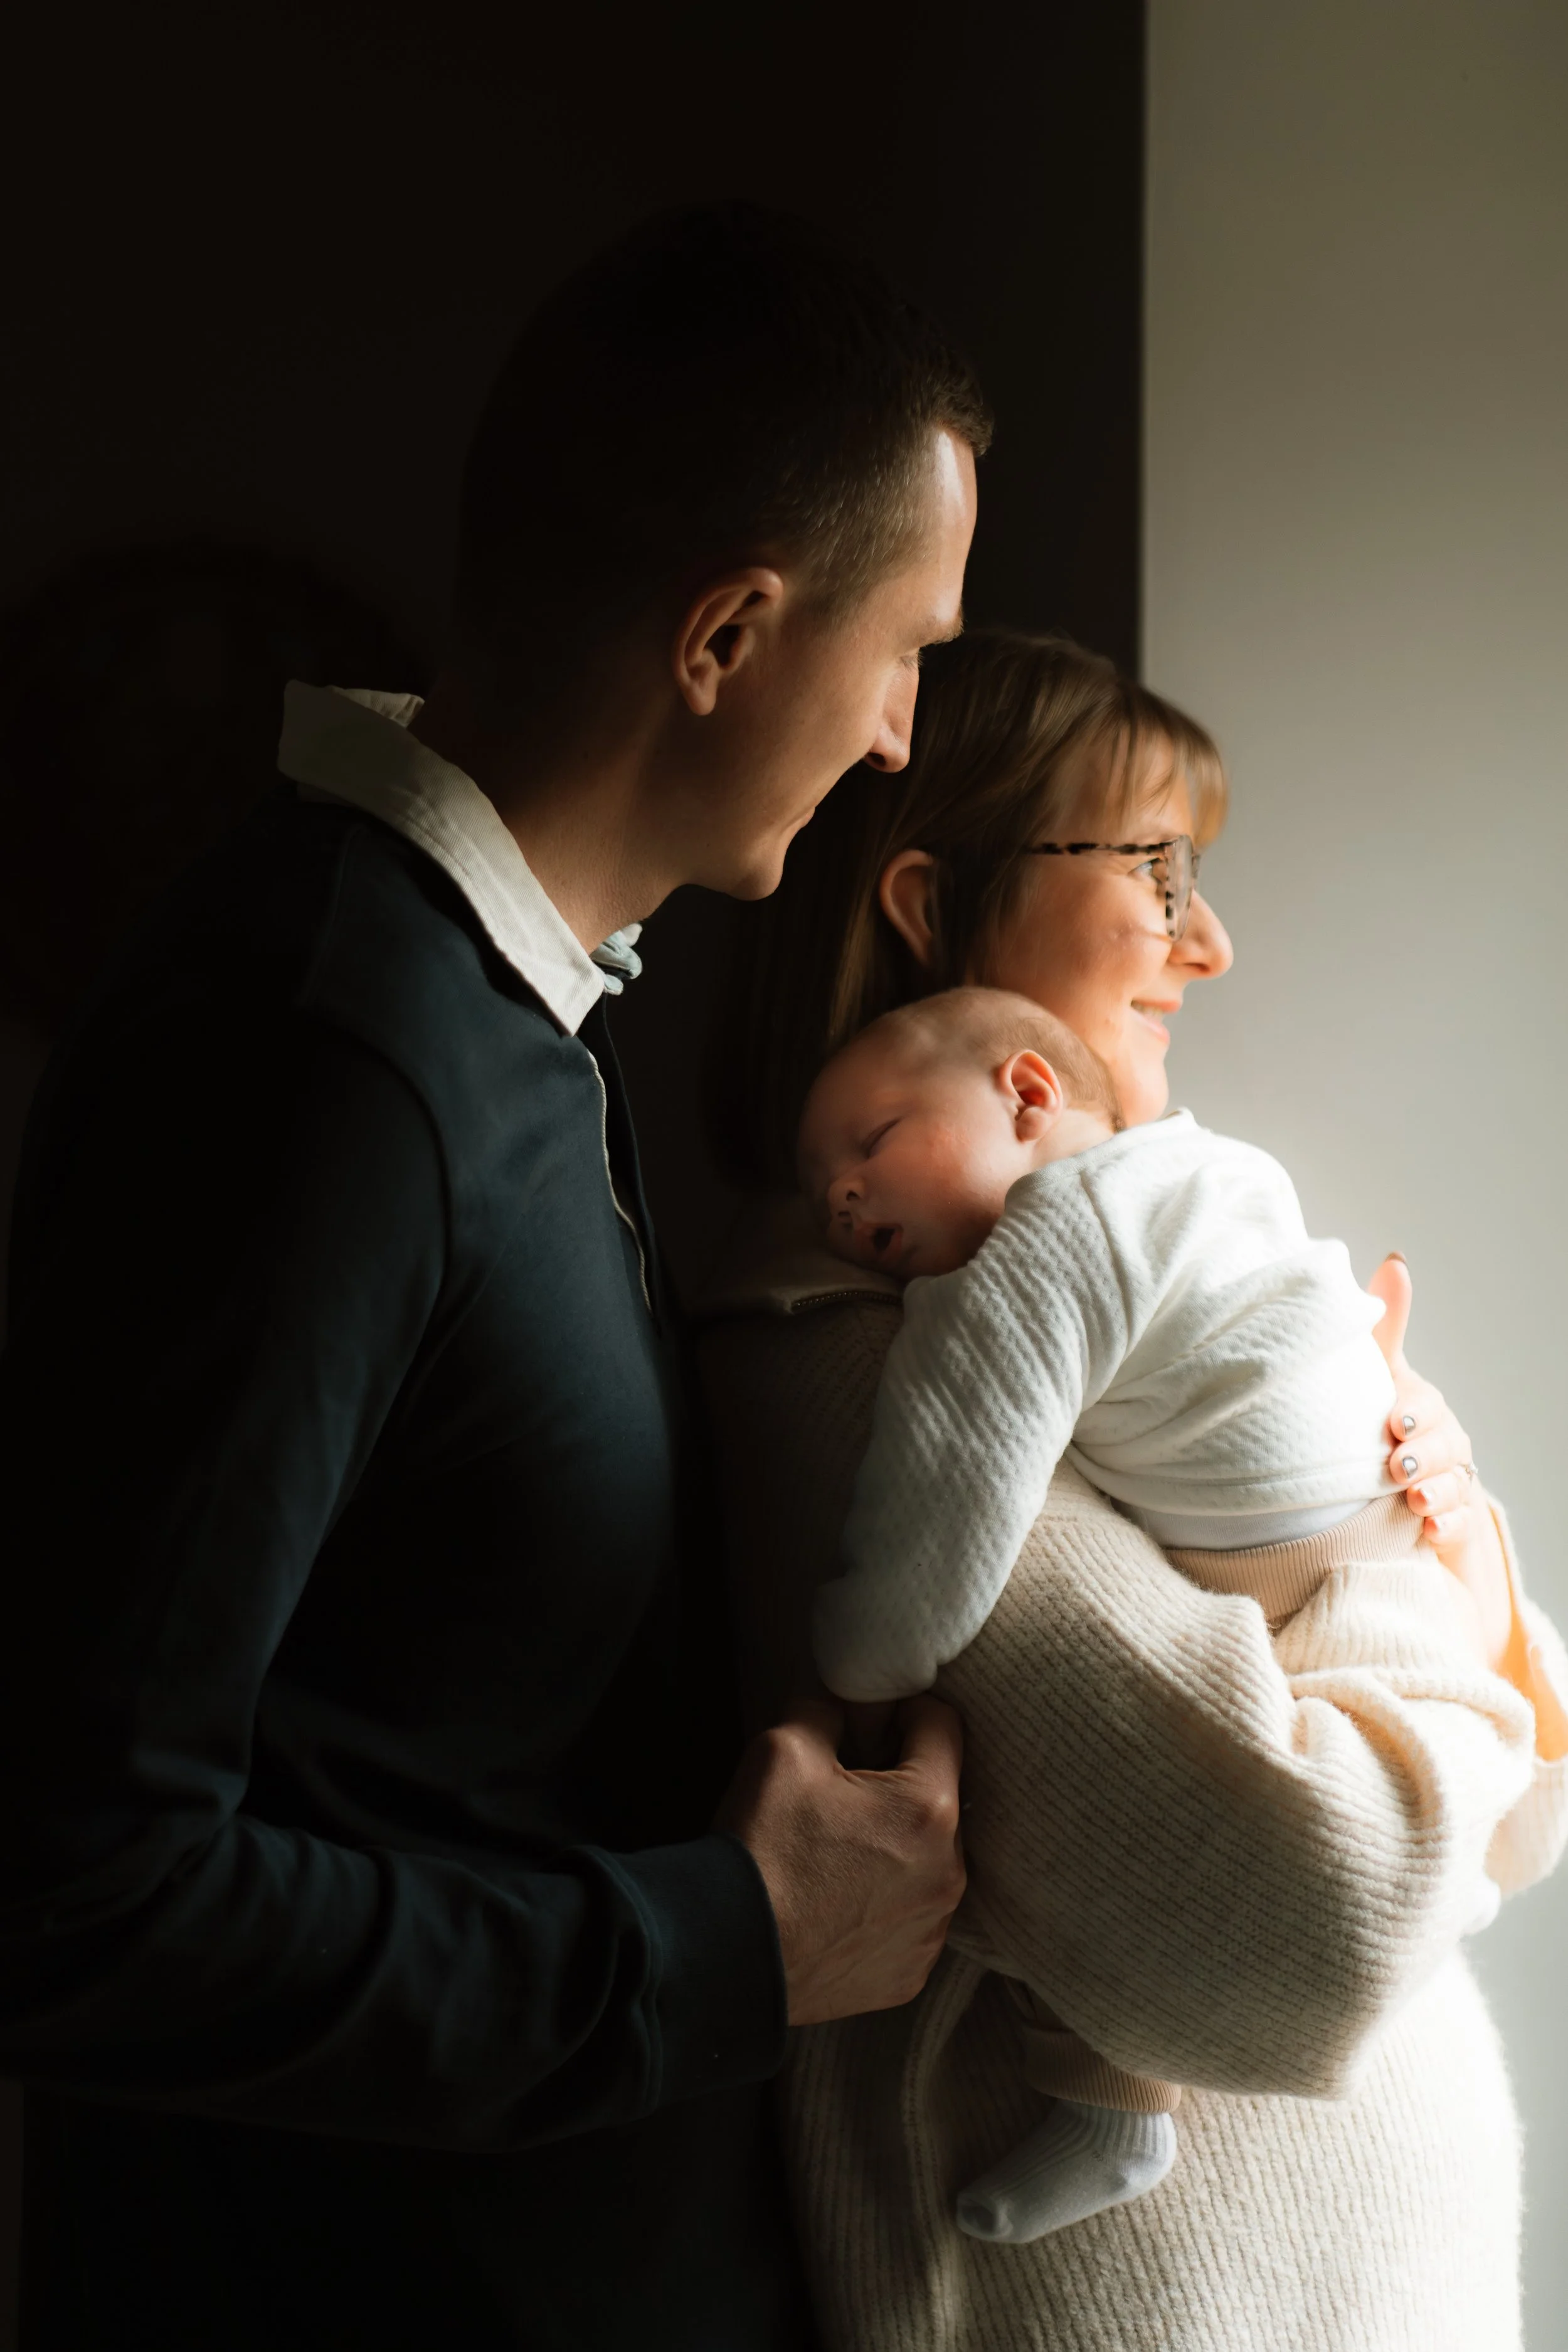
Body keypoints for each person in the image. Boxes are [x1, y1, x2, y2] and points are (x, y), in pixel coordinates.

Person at [0, 205, 987, 2350]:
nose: (907, 732)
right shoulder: (323, 1057)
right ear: (727, 634)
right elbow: (72, 1893)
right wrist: (729, 1951)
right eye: (903, 648)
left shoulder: (492, 1012)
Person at [697, 628, 1568, 2349]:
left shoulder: (1135, 1283)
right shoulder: (863, 1367)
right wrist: (1414, 1557)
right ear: (929, 902)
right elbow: (1338, 1897)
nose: (1209, 938)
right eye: (1157, 867)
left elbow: (1533, 1795)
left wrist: (1424, 1534)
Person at [800, 982, 1530, 2244]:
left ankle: (1113, 2108)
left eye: (868, 1147)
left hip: (1295, 1578)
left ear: (1025, 1094)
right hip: (1396, 1544)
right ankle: (1117, 2112)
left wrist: (853, 1662)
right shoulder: (1206, 1168)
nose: (840, 1201)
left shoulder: (1035, 1254)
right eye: (821, 1189)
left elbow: (941, 1513)